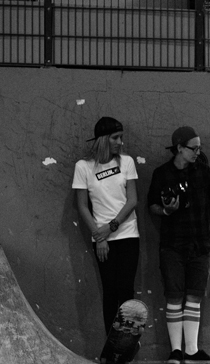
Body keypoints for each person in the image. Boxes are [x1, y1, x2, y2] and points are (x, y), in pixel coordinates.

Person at [146, 126, 210, 364]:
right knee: (173, 296)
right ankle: (175, 351)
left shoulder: (203, 171)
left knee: (194, 296)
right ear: (179, 148)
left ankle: (191, 351)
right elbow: (151, 205)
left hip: (200, 244)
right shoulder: (162, 174)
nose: (197, 153)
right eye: (194, 148)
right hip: (172, 245)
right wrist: (166, 210)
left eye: (199, 148)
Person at [72, 116, 140, 347]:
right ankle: (112, 345)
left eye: (121, 137)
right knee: (110, 291)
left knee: (126, 290)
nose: (120, 142)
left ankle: (127, 343)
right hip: (103, 240)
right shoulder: (83, 167)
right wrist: (99, 236)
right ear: (103, 139)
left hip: (127, 234)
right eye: (115, 138)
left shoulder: (127, 162)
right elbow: (82, 206)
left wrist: (111, 227)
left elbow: (132, 200)